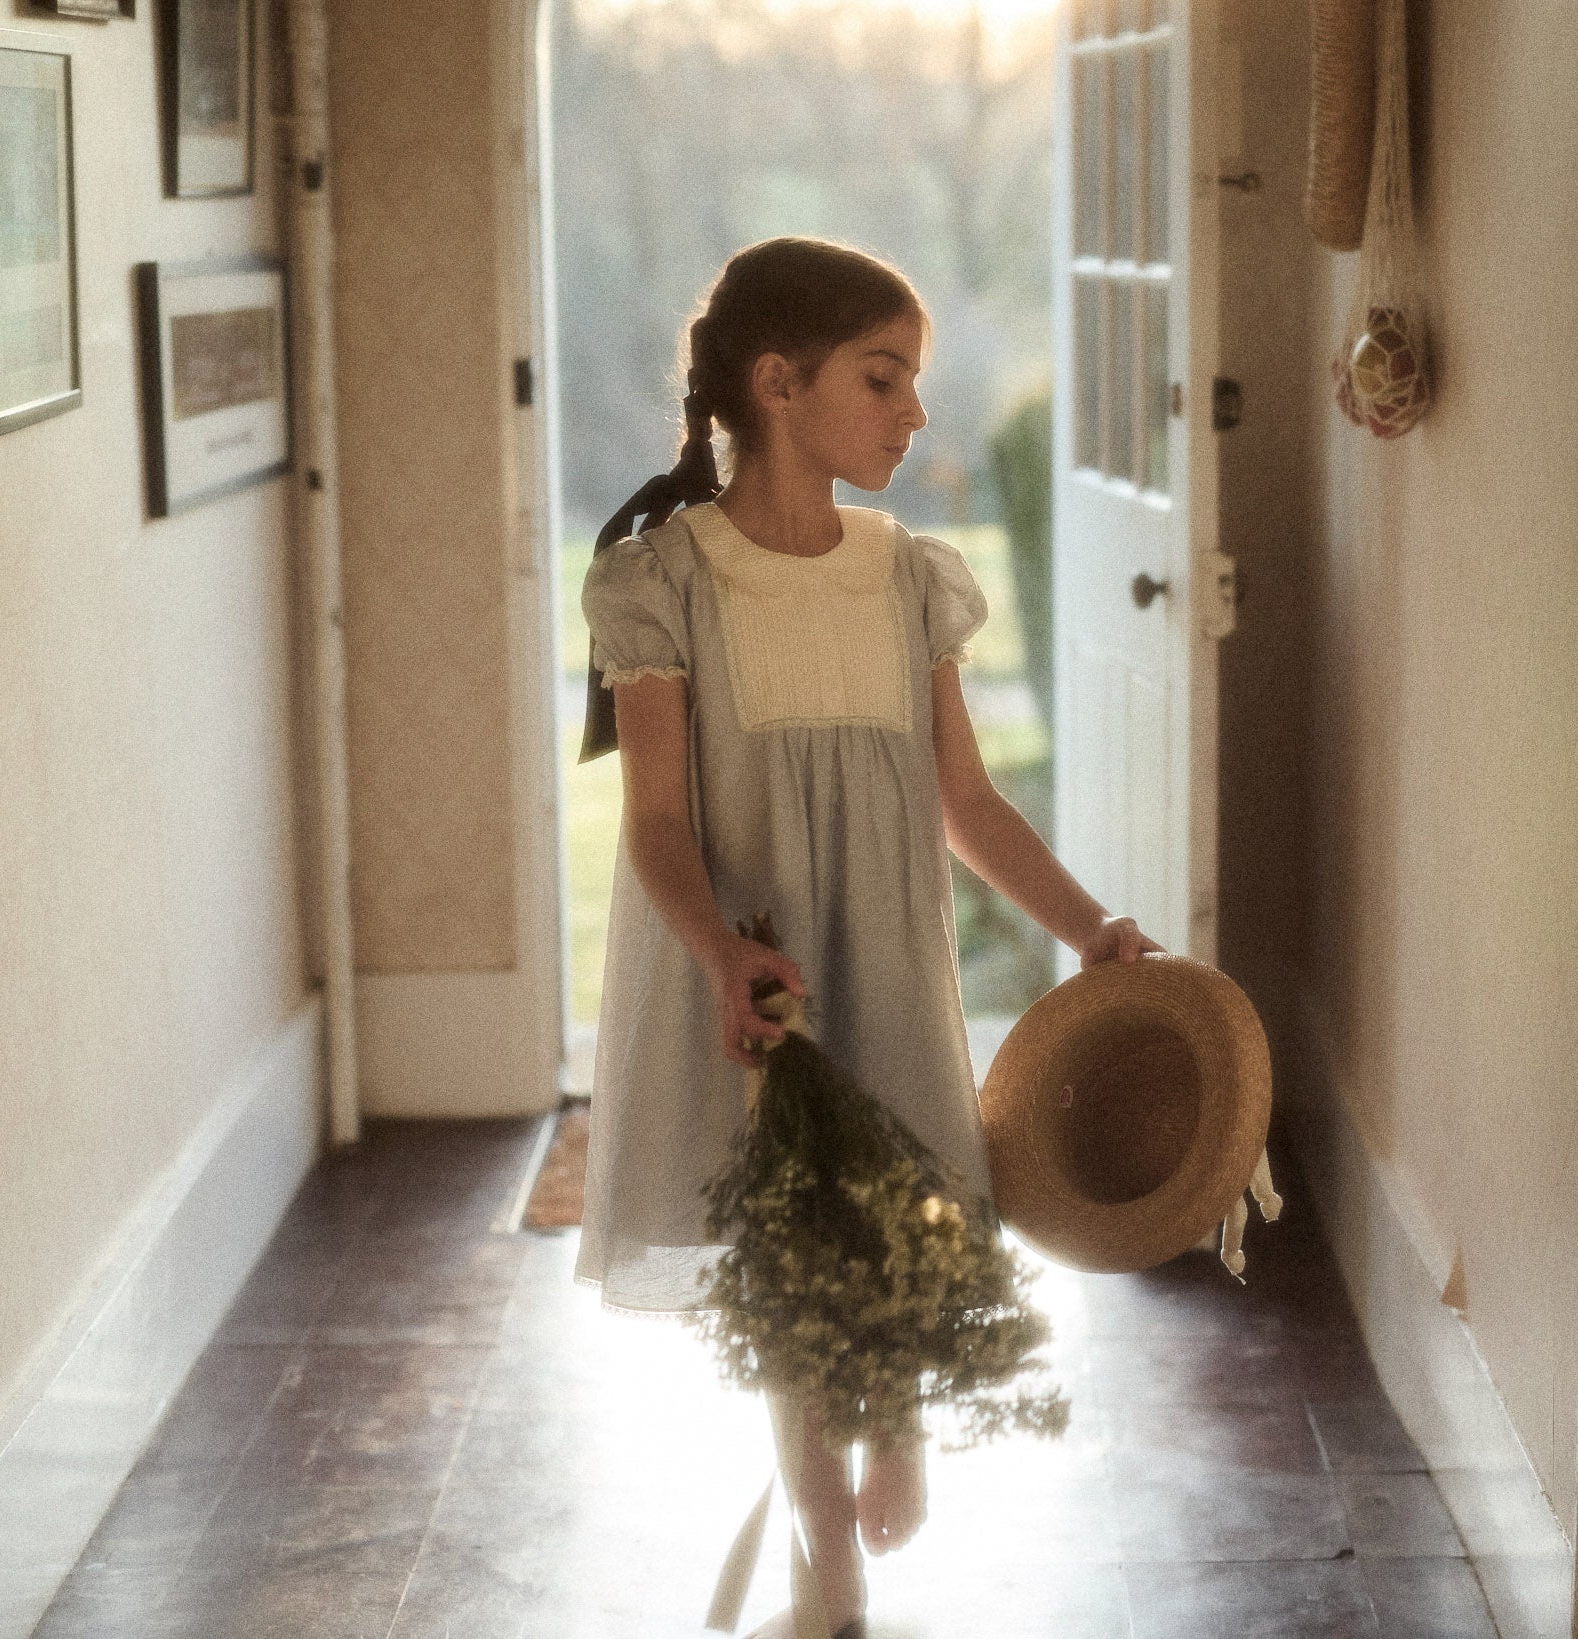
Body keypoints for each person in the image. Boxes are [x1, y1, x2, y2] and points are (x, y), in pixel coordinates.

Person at [571, 235, 1156, 1639]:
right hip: (749, 969)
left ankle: (887, 1424)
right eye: (883, 379)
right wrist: (721, 953)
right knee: (784, 1259)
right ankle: (824, 1567)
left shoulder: (908, 578)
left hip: (879, 962)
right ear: (778, 383)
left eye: (915, 383)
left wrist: (1089, 927)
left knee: (892, 1215)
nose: (913, 414)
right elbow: (656, 824)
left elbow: (965, 801)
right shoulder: (663, 580)